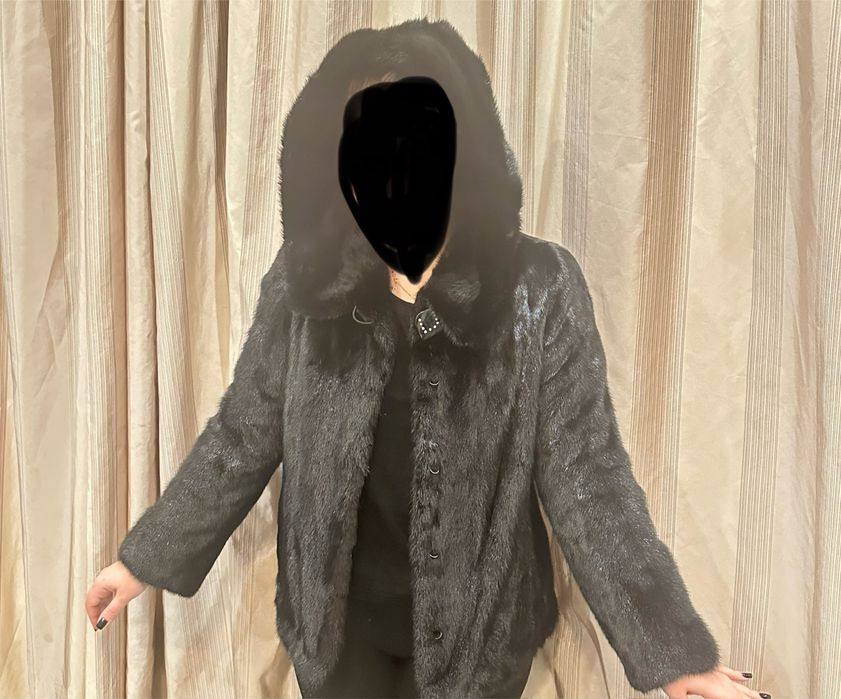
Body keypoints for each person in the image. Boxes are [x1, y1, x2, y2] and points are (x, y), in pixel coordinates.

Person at [86, 18, 771, 699]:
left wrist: (670, 653)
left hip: (481, 644)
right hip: (337, 638)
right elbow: (242, 434)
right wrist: (143, 560)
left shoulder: (537, 288)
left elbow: (587, 478)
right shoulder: (305, 284)